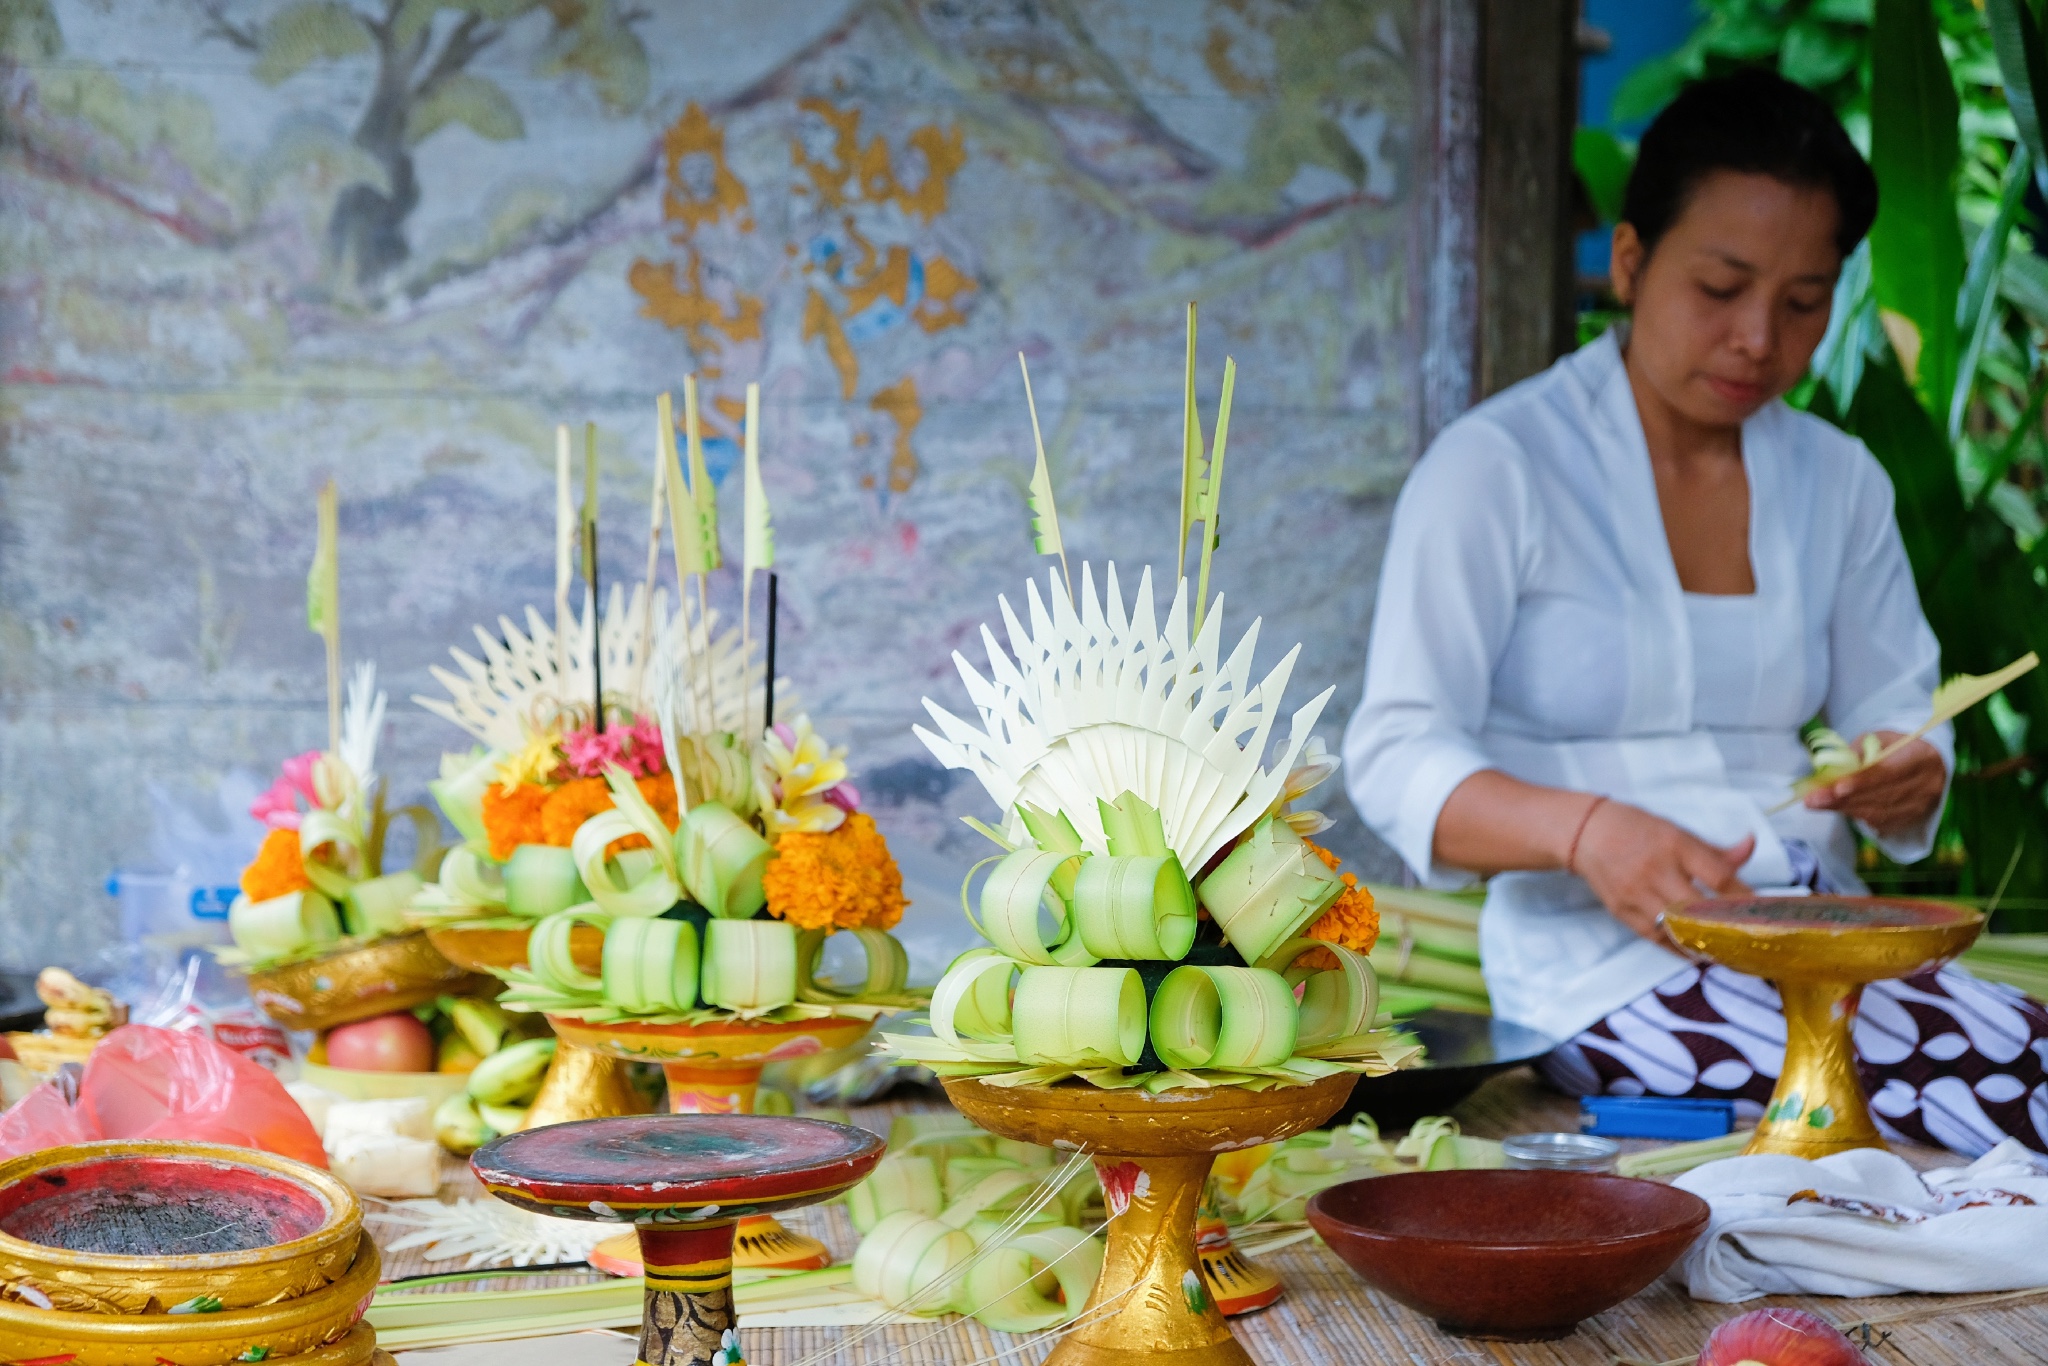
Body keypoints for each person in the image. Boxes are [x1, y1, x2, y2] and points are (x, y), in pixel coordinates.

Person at [1343, 69, 2048, 1156]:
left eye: (1802, 302)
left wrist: (1910, 768)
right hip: (1603, 971)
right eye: (1718, 287)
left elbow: (1898, 712)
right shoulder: (1497, 467)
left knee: (2024, 1059)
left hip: (1824, 938)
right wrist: (1584, 832)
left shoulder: (1837, 479)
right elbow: (1392, 754)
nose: (1756, 339)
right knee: (1980, 1105)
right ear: (1628, 261)